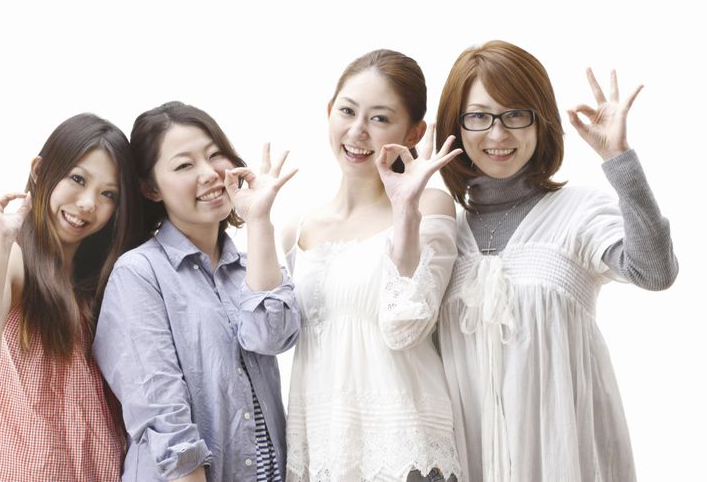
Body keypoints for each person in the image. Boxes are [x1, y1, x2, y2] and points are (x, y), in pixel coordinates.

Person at [434, 40, 678, 482]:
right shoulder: (442, 233)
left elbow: (655, 271)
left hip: (564, 460)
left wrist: (619, 160)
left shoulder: (577, 211)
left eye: (515, 114)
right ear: (456, 126)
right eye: (479, 116)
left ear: (540, 120)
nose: (497, 134)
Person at [93, 101, 300, 482]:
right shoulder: (138, 273)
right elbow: (163, 416)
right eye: (184, 165)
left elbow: (273, 338)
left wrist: (258, 220)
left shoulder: (250, 266)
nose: (209, 173)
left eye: (214, 154)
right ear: (150, 188)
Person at [283, 49, 463, 482]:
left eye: (380, 118)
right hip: (324, 451)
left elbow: (406, 329)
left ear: (414, 131)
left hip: (405, 452)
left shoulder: (430, 206)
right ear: (329, 110)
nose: (357, 131)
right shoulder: (298, 226)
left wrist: (405, 211)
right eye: (347, 111)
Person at [0, 114, 143, 482]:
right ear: (40, 171)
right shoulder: (13, 258)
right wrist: (1, 243)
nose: (88, 203)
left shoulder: (104, 279)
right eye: (78, 179)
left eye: (108, 194)